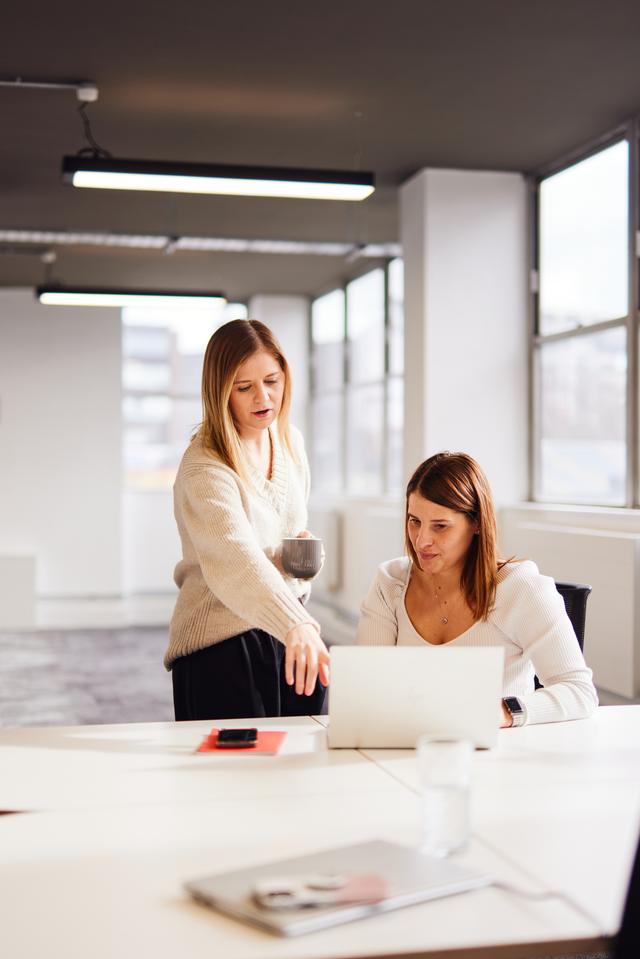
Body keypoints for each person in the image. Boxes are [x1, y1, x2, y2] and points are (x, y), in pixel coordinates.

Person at [164, 318, 329, 720]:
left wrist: (302, 564)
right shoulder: (205, 465)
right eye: (244, 387)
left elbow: (281, 540)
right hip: (220, 645)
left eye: (272, 381)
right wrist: (296, 624)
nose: (263, 397)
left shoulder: (290, 443)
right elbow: (236, 562)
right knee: (235, 777)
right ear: (221, 391)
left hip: (282, 629)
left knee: (302, 764)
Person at [357, 452, 598, 726]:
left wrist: (501, 712)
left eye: (440, 526)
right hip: (411, 748)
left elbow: (579, 691)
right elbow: (367, 691)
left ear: (476, 524)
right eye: (414, 521)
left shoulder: (521, 588)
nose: (422, 540)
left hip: (500, 755)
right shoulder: (390, 582)